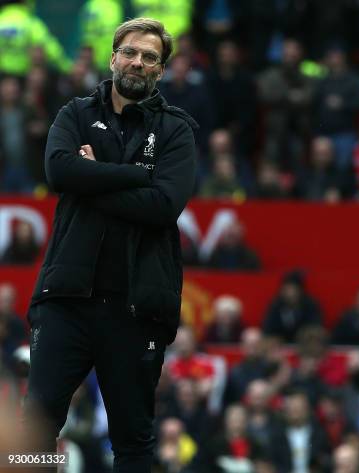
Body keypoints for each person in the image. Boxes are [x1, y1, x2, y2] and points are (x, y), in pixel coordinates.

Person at [23, 18, 198, 473]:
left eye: (151, 57)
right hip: (66, 300)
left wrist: (94, 178)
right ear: (113, 57)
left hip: (136, 308)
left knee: (133, 441)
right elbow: (60, 173)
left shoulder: (177, 130)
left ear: (161, 71)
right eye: (131, 52)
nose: (138, 62)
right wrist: (136, 175)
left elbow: (163, 205)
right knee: (33, 429)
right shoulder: (74, 113)